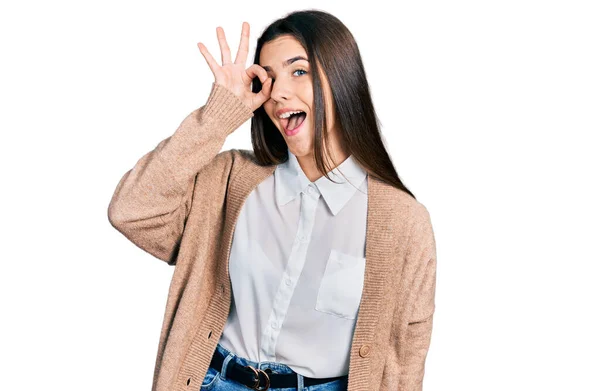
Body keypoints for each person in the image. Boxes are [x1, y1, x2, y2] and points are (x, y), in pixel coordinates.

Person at [108, 9, 437, 391]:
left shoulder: (403, 221)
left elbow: (404, 361)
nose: (278, 93)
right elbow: (131, 211)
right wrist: (218, 116)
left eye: (298, 71)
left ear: (341, 77)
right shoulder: (229, 180)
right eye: (269, 78)